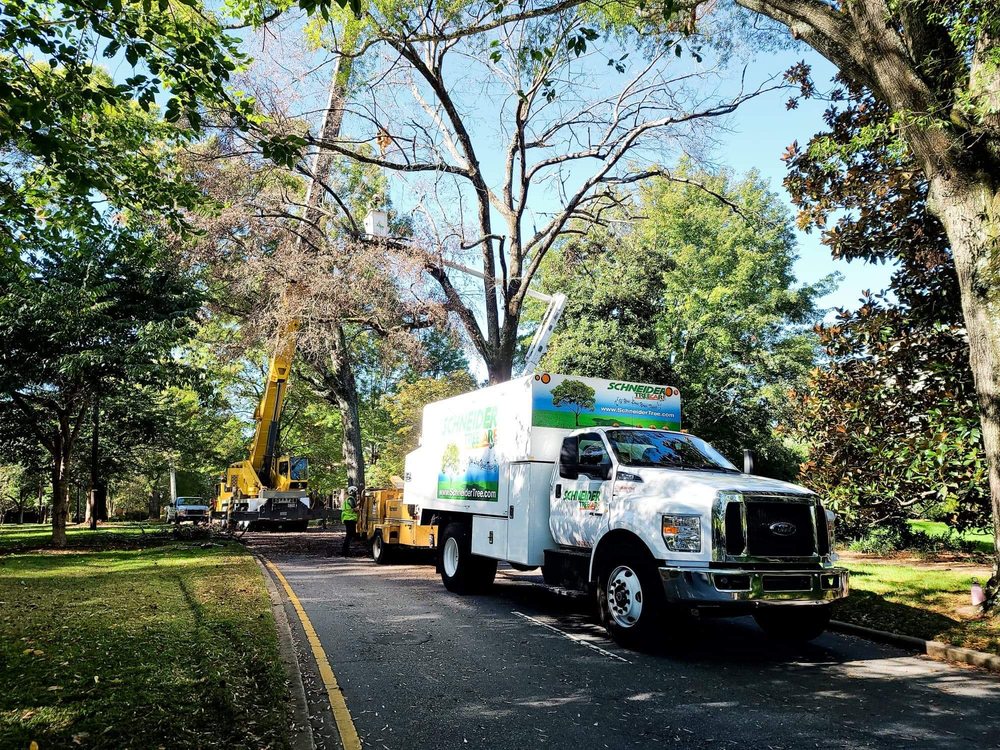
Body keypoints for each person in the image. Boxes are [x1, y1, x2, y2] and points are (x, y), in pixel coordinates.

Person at [340, 486, 359, 556]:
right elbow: (355, 509)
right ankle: (345, 552)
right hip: (350, 519)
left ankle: (345, 551)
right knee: (349, 535)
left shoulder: (347, 499)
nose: (356, 493)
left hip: (347, 519)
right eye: (355, 492)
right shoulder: (351, 499)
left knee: (350, 535)